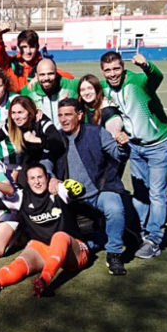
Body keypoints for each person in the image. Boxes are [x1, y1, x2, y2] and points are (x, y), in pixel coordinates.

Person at [0, 164, 90, 297]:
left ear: (47, 178)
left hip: (74, 250)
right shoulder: (22, 197)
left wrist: (76, 189)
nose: (37, 182)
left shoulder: (57, 190)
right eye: (32, 178)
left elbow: (74, 193)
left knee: (59, 236)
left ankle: (43, 281)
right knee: (22, 260)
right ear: (27, 181)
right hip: (46, 248)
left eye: (40, 177)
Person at [100, 52, 167, 259]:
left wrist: (147, 65)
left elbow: (157, 77)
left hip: (158, 143)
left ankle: (154, 239)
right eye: (108, 70)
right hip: (135, 146)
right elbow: (82, 85)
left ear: (122, 67)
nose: (113, 74)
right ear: (103, 71)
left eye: (116, 69)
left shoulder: (137, 80)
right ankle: (138, 231)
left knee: (156, 193)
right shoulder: (105, 89)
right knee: (140, 191)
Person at [51, 98, 129, 275]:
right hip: (72, 198)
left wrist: (122, 145)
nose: (63, 119)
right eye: (60, 115)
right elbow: (45, 160)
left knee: (115, 209)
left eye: (68, 114)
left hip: (100, 190)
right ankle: (103, 237)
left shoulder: (96, 133)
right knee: (83, 245)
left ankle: (114, 254)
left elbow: (118, 154)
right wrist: (51, 178)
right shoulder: (56, 137)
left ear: (79, 115)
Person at [0, 24, 72, 92]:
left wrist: (42, 77)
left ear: (37, 47)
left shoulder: (43, 65)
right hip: (14, 107)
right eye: (24, 47)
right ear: (18, 47)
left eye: (32, 47)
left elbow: (69, 78)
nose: (28, 51)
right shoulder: (10, 64)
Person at [19, 59, 79, 129]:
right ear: (36, 75)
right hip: (43, 138)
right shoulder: (27, 91)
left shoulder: (71, 86)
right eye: (42, 74)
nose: (46, 78)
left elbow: (90, 84)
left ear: (56, 73)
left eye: (50, 74)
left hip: (69, 136)